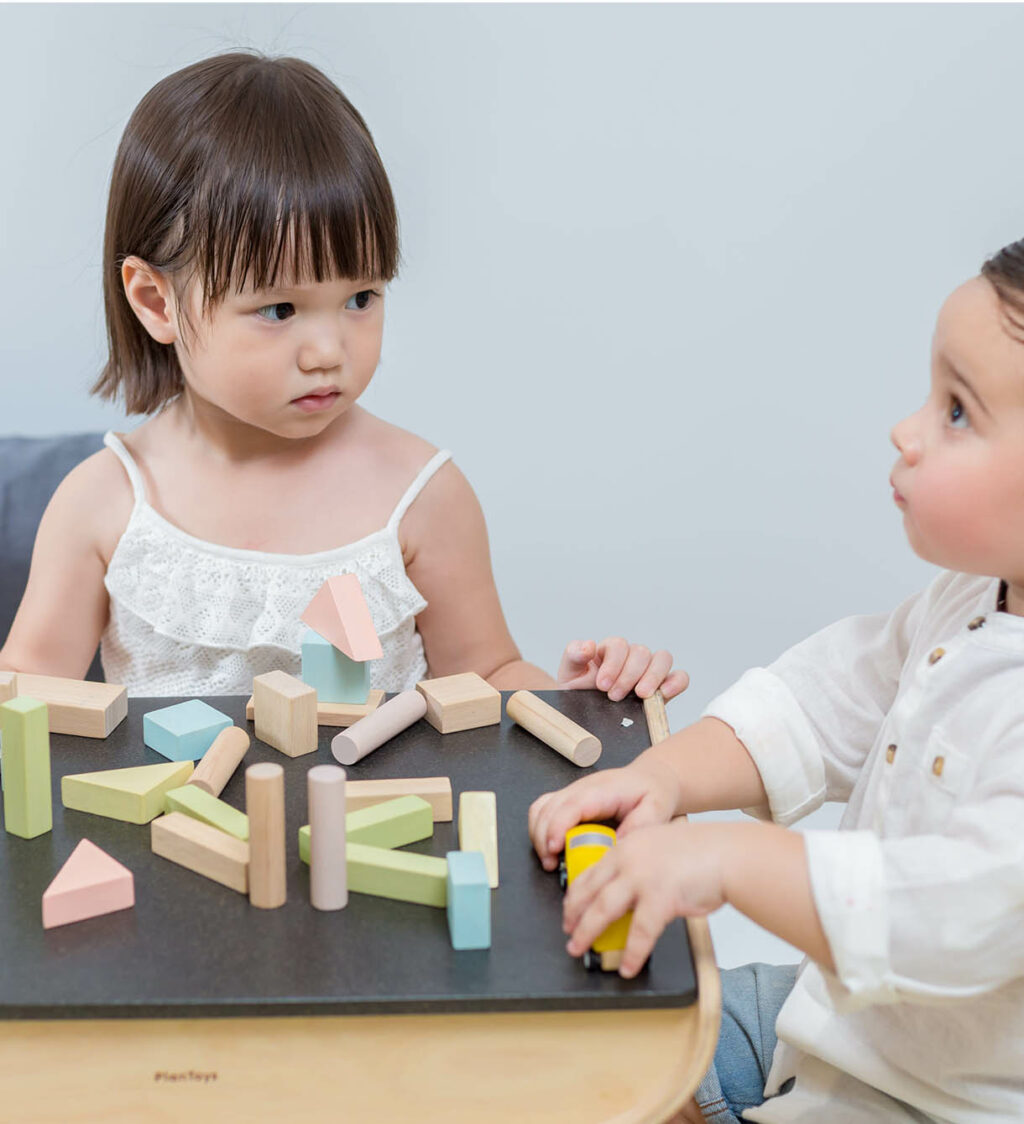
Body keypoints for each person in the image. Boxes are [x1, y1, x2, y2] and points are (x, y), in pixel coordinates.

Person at [0, 52, 688, 704]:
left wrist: (570, 703)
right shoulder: (102, 502)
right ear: (156, 302)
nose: (329, 351)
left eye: (361, 297)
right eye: (279, 310)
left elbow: (487, 674)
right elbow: (27, 690)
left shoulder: (422, 496)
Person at [529, 241, 1024, 1123]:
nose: (906, 430)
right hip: (820, 1025)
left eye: (957, 412)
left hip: (921, 1102)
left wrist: (725, 859)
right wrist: (662, 777)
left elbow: (953, 913)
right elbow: (823, 701)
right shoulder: (973, 598)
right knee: (576, 1046)